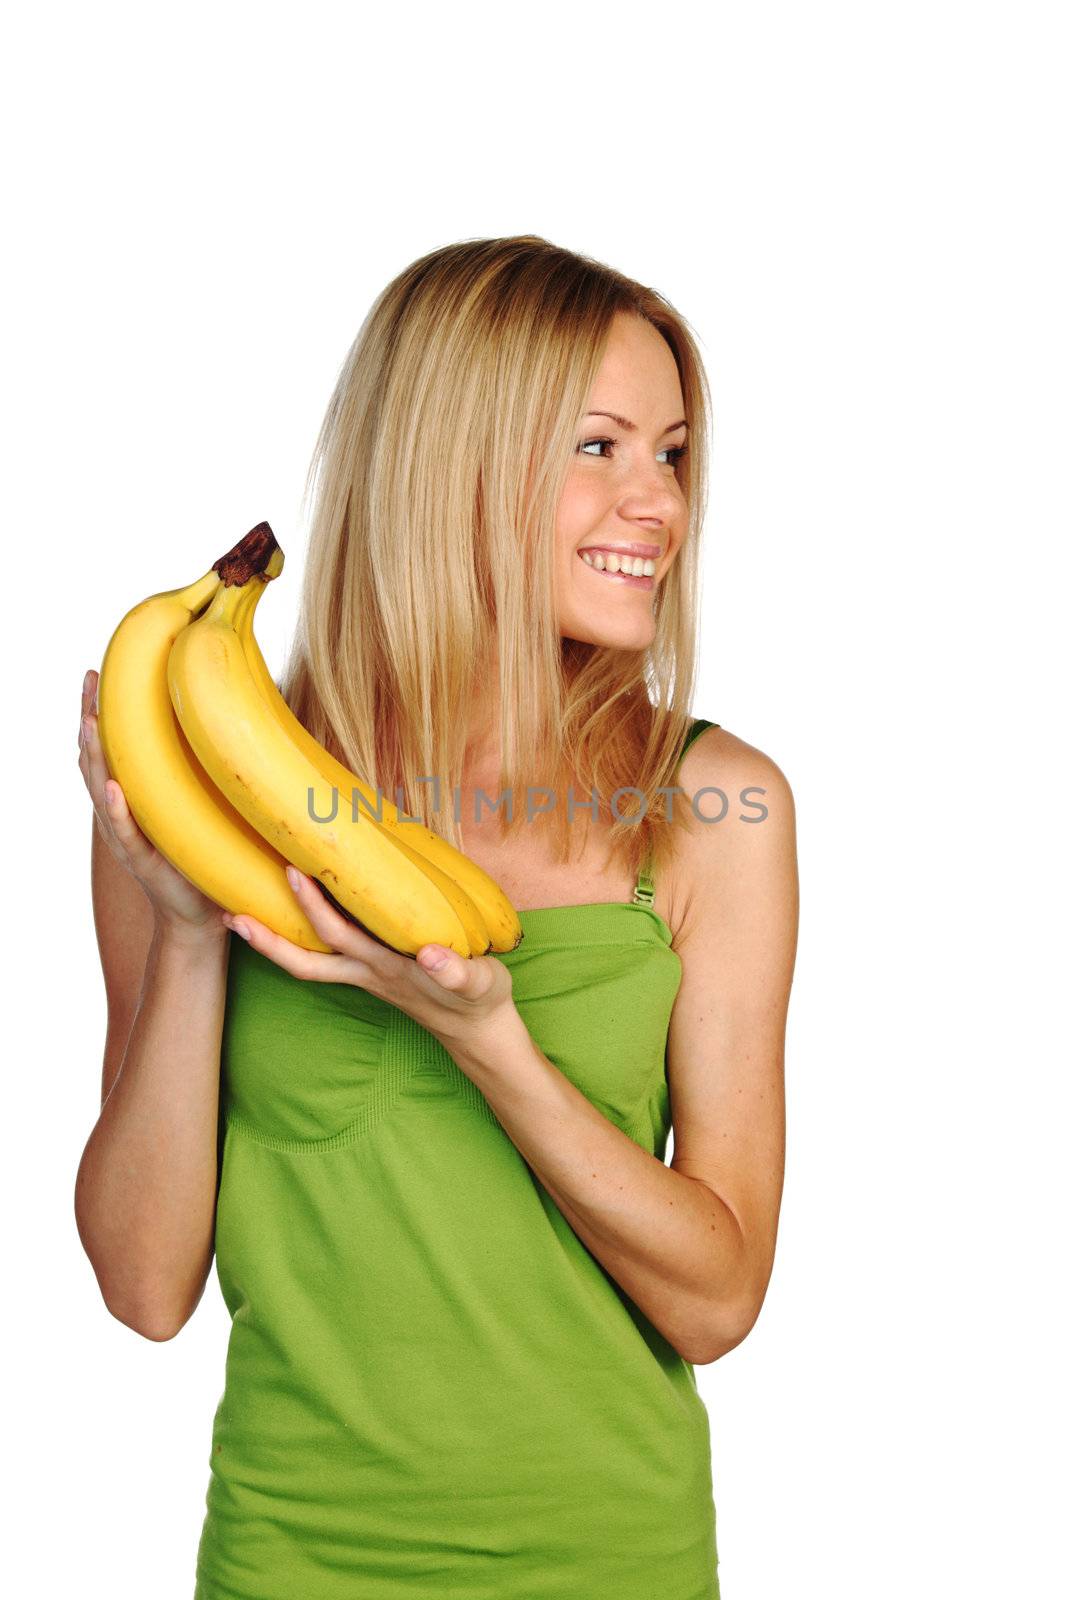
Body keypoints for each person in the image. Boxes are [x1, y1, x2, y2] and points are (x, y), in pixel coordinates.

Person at [75, 235, 799, 1600]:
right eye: (598, 447)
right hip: (293, 1561)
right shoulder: (202, 803)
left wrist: (493, 1045)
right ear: (451, 466)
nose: (657, 504)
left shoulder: (714, 810)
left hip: (615, 1566)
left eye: (675, 454)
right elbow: (143, 1289)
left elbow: (720, 1299)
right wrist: (183, 930)